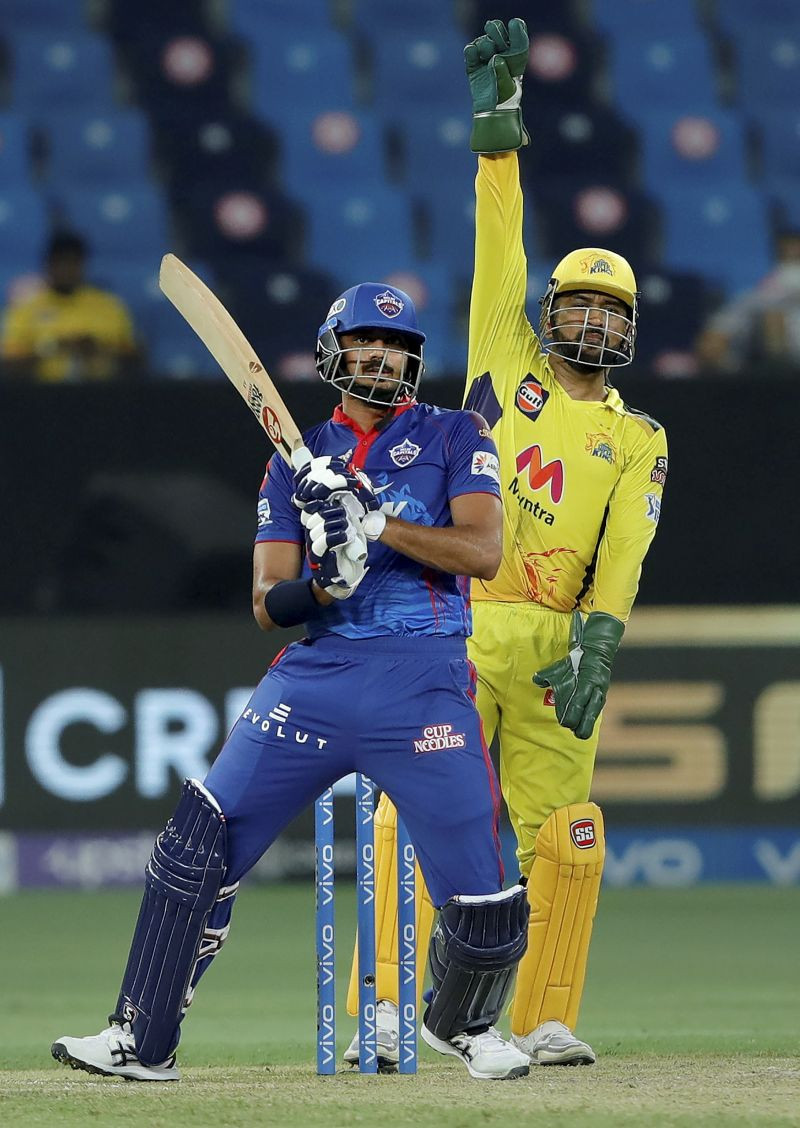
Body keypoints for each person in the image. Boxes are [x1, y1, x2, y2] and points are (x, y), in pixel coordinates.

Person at [50, 280, 533, 1083]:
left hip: (425, 679)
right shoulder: (292, 465)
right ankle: (142, 1039)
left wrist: (376, 523)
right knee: (197, 847)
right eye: (367, 344)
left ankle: (470, 1027)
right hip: (315, 678)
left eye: (400, 347)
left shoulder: (456, 434)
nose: (384, 358)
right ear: (333, 355)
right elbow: (266, 606)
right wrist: (328, 583)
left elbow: (483, 552)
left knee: (479, 883)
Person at [342, 18, 668, 1070]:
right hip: (454, 619)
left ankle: (530, 1016)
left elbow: (622, 551)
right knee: (419, 811)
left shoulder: (637, 436)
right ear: (547, 310)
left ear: (629, 332)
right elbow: (500, 237)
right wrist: (497, 137)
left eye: (611, 312)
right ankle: (386, 1011)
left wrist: (601, 644)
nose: (594, 324)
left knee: (558, 829)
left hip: (555, 640)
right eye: (577, 303)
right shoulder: (499, 353)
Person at [0, 231, 136, 382]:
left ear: (83, 264)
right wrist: (52, 348)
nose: (66, 269)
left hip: (101, 393)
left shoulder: (109, 306)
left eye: (73, 262)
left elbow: (134, 358)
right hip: (42, 396)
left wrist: (99, 349)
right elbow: (9, 363)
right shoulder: (25, 309)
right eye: (60, 262)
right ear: (48, 265)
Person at [695, 229, 800, 375]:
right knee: (772, 321)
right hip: (766, 380)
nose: (792, 268)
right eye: (786, 256)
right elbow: (711, 344)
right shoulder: (755, 300)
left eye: (797, 258)